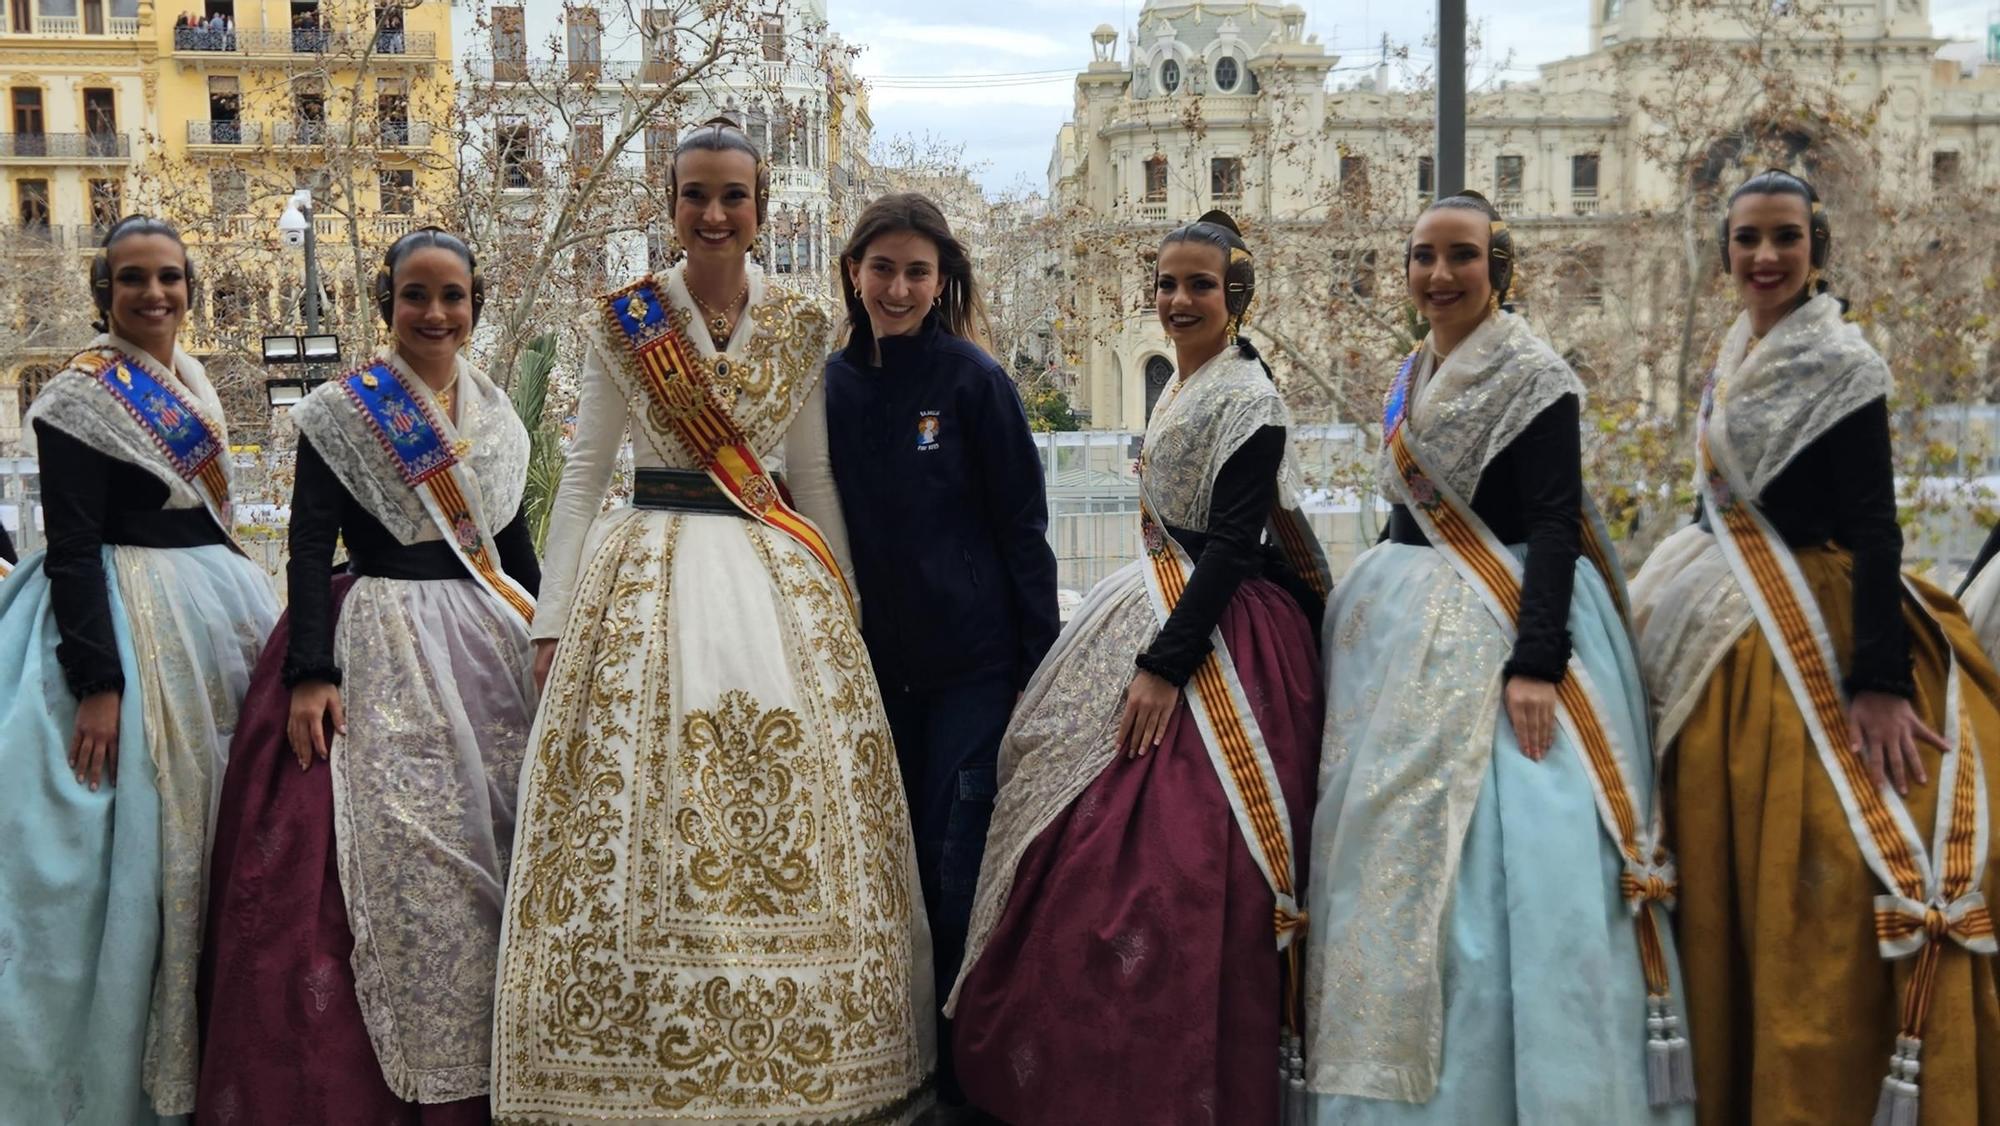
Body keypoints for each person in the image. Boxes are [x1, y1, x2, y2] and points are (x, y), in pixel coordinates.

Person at [491, 118, 935, 1124]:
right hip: (646, 568)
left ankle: (814, 1052)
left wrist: (845, 608)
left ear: (761, 207)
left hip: (779, 572)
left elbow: (810, 471)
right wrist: (551, 621)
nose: (714, 213)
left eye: (733, 194)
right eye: (696, 193)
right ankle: (630, 1055)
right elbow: (584, 479)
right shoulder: (627, 317)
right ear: (671, 200)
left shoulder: (799, 322)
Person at [1303, 191, 1692, 1123]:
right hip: (1403, 634)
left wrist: (1536, 661)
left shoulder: (1537, 375)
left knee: (1514, 867)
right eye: (1423, 256)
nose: (1439, 274)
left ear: (1499, 268)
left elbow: (1558, 523)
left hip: (1513, 625)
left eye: (1461, 256)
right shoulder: (1415, 368)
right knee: (1389, 851)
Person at [1630, 169, 2000, 1124]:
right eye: (1748, 238)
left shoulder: (1844, 361)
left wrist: (1878, 680)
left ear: (1815, 248)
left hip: (1826, 622)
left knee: (1830, 863)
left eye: (1785, 237)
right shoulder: (1735, 351)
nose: (1765, 256)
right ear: (1724, 256)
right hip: (1723, 621)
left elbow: (1877, 528)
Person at [948, 211, 1329, 1125]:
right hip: (1157, 603)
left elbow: (1235, 548)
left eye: (1199, 285)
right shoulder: (1186, 383)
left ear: (1236, 295)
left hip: (1220, 637)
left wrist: (1165, 666)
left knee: (1176, 859)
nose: (1178, 300)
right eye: (1166, 283)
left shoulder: (1248, 399)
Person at [196, 228, 539, 1124]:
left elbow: (515, 546)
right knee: (397, 853)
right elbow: (309, 542)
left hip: (489, 643)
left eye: (452, 295)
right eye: (415, 295)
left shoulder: (499, 417)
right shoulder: (343, 412)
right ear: (385, 304)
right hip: (380, 636)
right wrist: (312, 669)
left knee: (503, 845)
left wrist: (552, 639)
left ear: (475, 305)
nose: (434, 312)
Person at [0, 215, 279, 1122]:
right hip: (115, 624)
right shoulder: (78, 397)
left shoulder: (189, 380)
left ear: (189, 288)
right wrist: (99, 685)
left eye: (169, 278)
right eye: (132, 280)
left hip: (215, 619)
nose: (153, 294)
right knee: (92, 862)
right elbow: (73, 547)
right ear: (103, 294)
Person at [821, 192, 1061, 1107]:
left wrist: (1036, 670)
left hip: (974, 669)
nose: (897, 286)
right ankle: (897, 1059)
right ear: (853, 272)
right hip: (872, 671)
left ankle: (964, 1071)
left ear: (941, 279)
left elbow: (1021, 530)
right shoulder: (829, 386)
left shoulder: (973, 382)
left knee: (953, 865)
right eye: (882, 267)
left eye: (917, 270)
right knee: (888, 868)